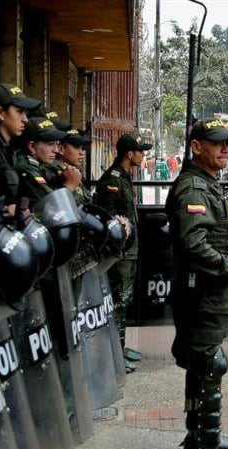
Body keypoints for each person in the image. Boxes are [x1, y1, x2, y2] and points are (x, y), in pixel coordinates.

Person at [165, 119, 228, 449]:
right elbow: (194, 246)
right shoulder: (193, 189)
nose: (224, 150)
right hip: (201, 293)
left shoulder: (208, 185)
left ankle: (200, 437)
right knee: (209, 365)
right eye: (217, 144)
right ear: (196, 146)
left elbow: (226, 221)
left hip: (210, 293)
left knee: (202, 367)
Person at [95, 132, 151, 373]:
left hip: (130, 251)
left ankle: (121, 346)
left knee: (125, 299)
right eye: (140, 151)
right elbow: (107, 216)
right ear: (130, 154)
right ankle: (114, 353)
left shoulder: (125, 177)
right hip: (120, 253)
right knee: (118, 300)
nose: (143, 154)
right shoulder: (113, 180)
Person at [0, 83, 41, 213]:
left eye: (25, 113)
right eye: (19, 111)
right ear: (0, 112)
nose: (25, 119)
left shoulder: (8, 147)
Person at [15, 117, 70, 208]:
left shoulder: (40, 165)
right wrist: (69, 186)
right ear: (32, 146)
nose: (56, 150)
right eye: (50, 144)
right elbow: (52, 203)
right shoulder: (26, 167)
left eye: (56, 144)